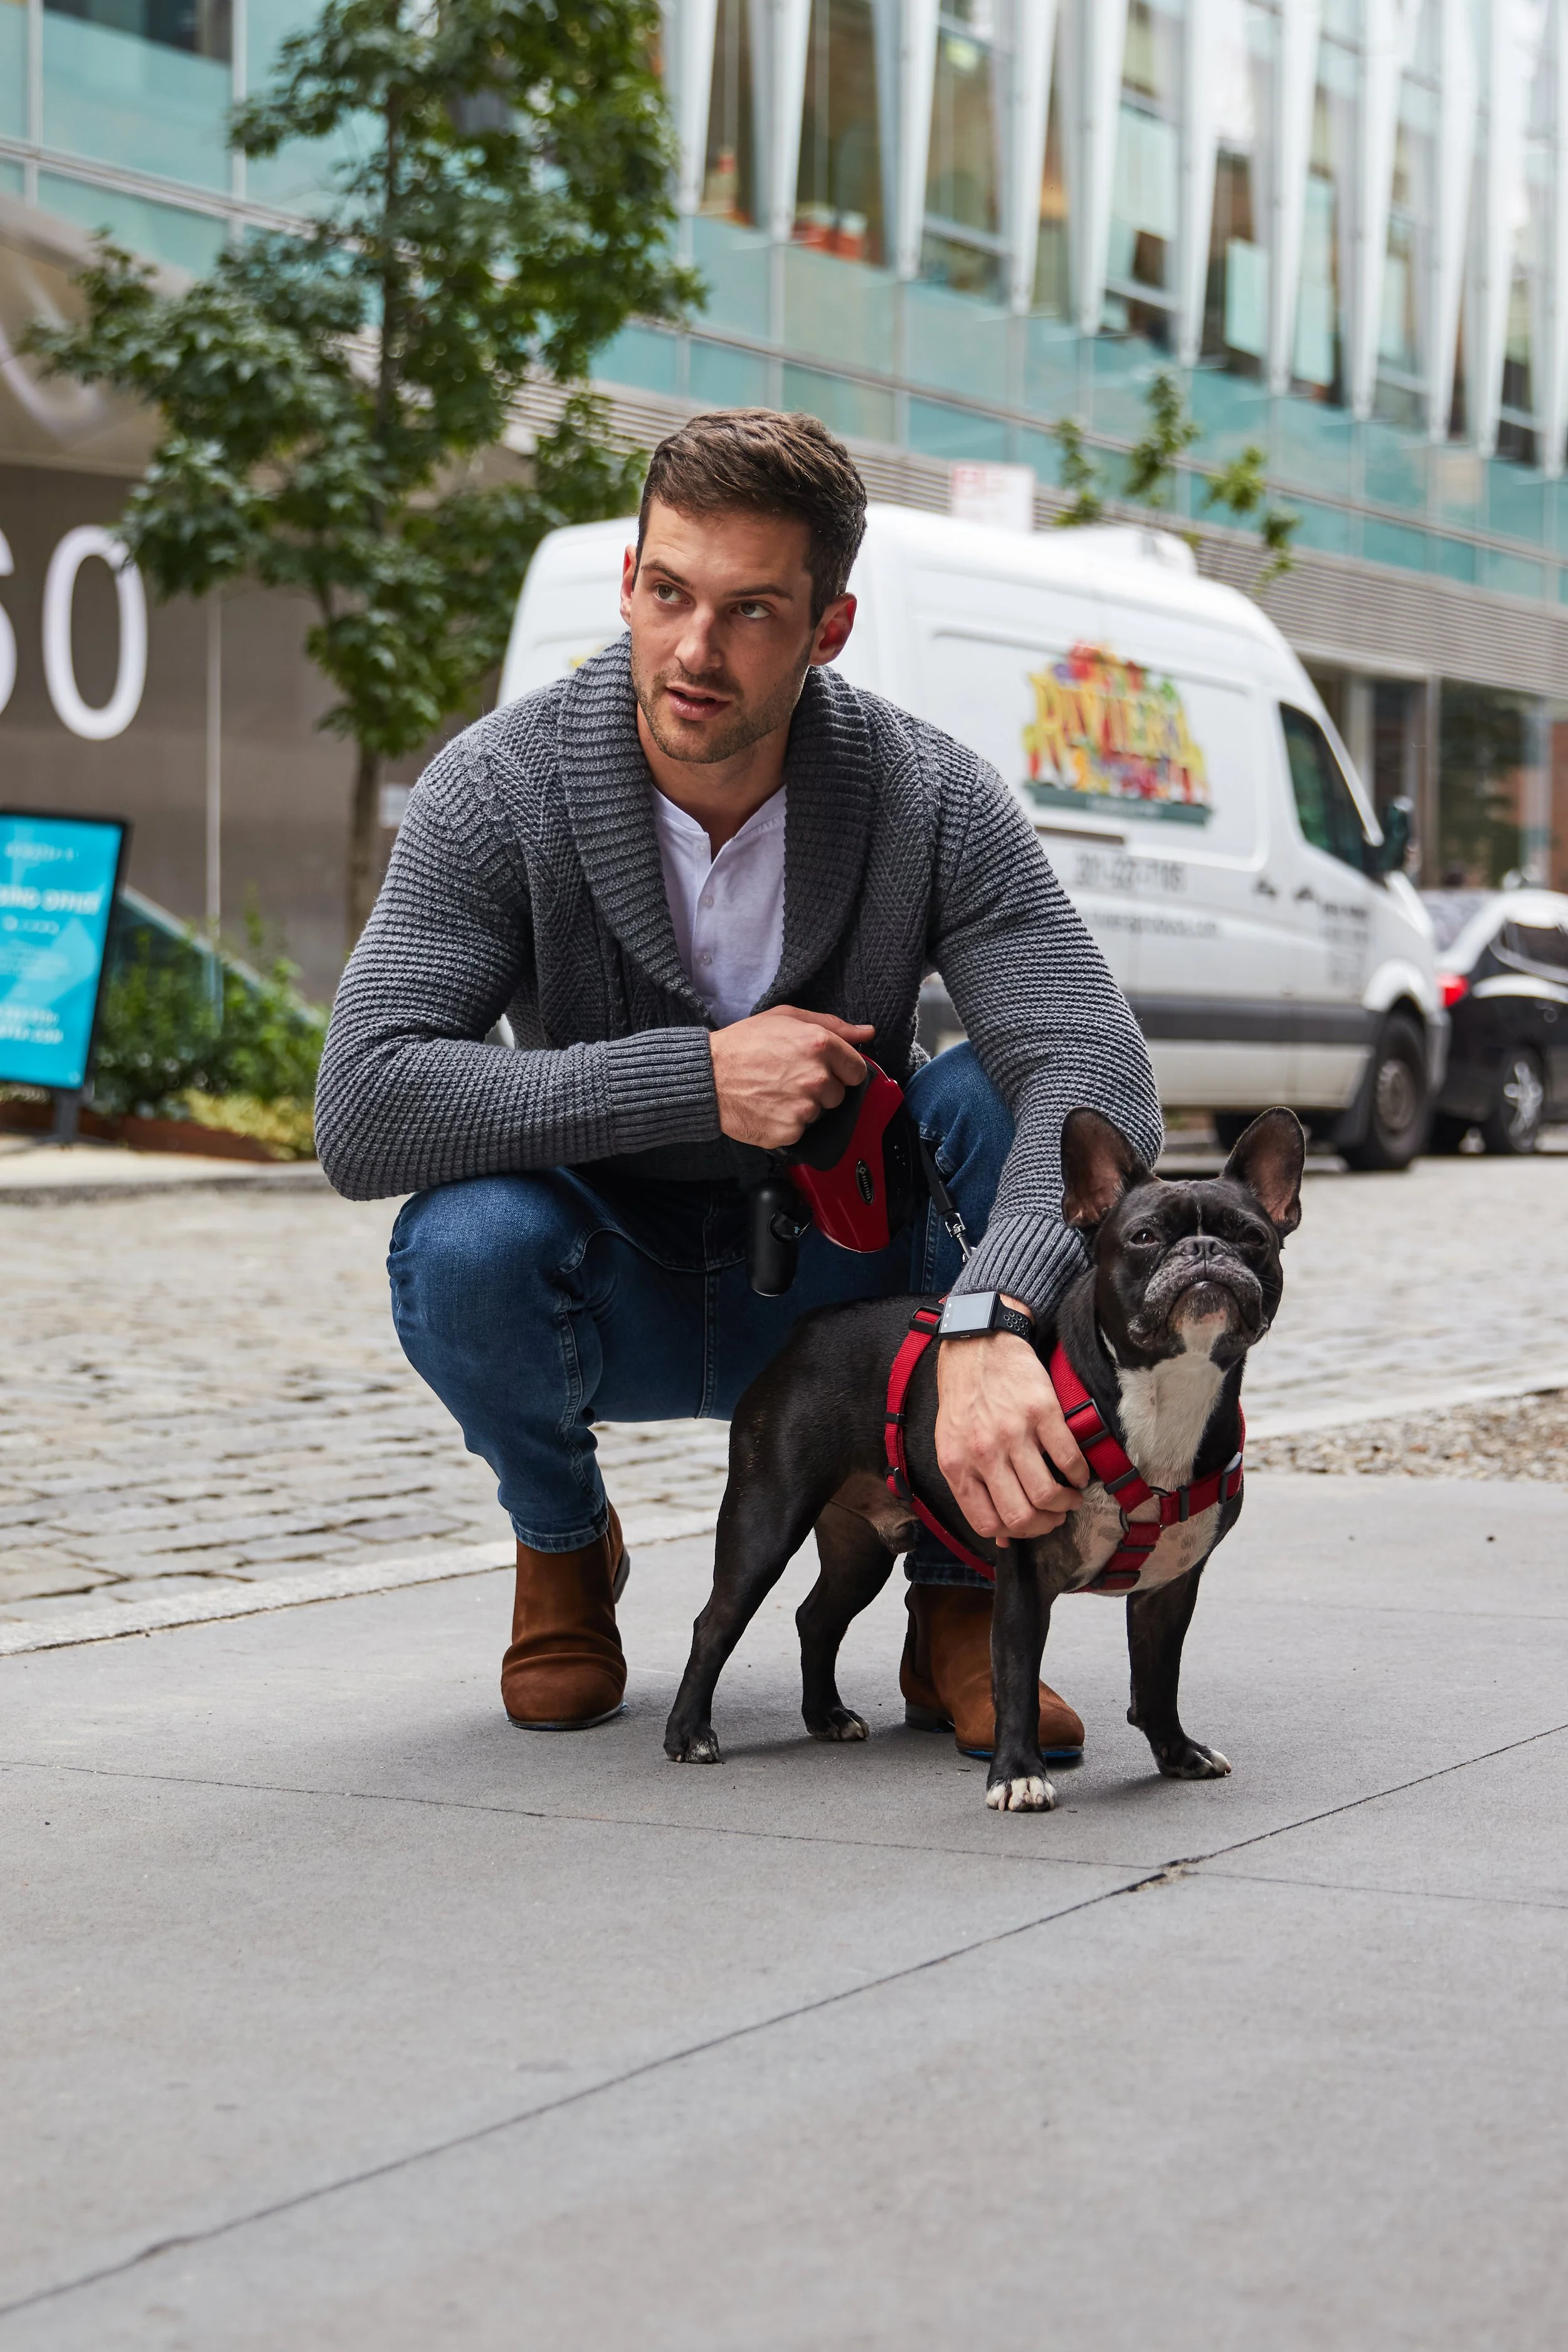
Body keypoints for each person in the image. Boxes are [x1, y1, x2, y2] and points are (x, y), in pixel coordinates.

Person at [315, 408, 1162, 1757]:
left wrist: (990, 1316)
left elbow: (1096, 1066)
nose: (692, 651)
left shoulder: (931, 798)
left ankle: (956, 1595)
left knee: (1015, 1114)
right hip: (612, 1274)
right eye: (666, 593)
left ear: (827, 628)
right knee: (459, 1242)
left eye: (750, 611)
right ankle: (561, 1546)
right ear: (629, 581)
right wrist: (696, 1078)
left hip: (853, 1291)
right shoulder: (498, 785)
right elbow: (364, 1108)